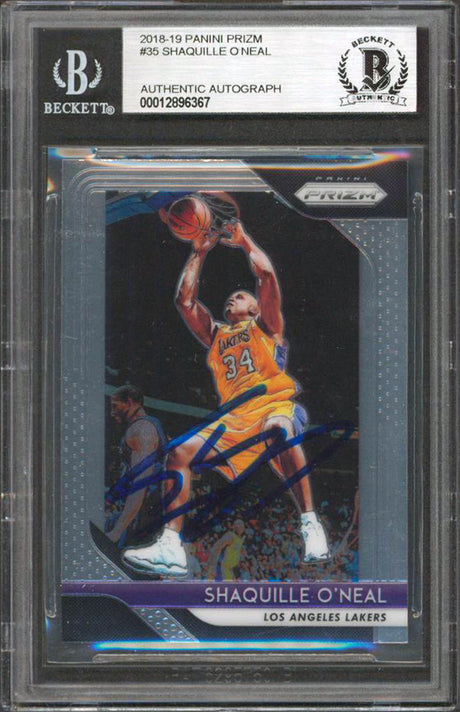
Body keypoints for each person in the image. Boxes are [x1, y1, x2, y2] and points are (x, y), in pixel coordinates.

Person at [123, 216, 329, 576]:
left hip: (273, 406)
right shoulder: (216, 336)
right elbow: (185, 302)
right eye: (232, 296)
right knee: (178, 453)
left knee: (278, 430)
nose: (233, 296)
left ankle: (311, 525)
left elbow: (266, 276)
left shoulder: (267, 327)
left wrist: (244, 239)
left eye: (241, 296)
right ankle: (171, 546)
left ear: (254, 308)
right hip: (235, 419)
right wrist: (198, 252)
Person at [105, 385, 166, 546]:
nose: (112, 413)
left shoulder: (141, 429)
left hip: (144, 516)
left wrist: (117, 532)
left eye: (115, 406)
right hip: (149, 513)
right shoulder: (150, 426)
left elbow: (140, 485)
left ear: (130, 402)